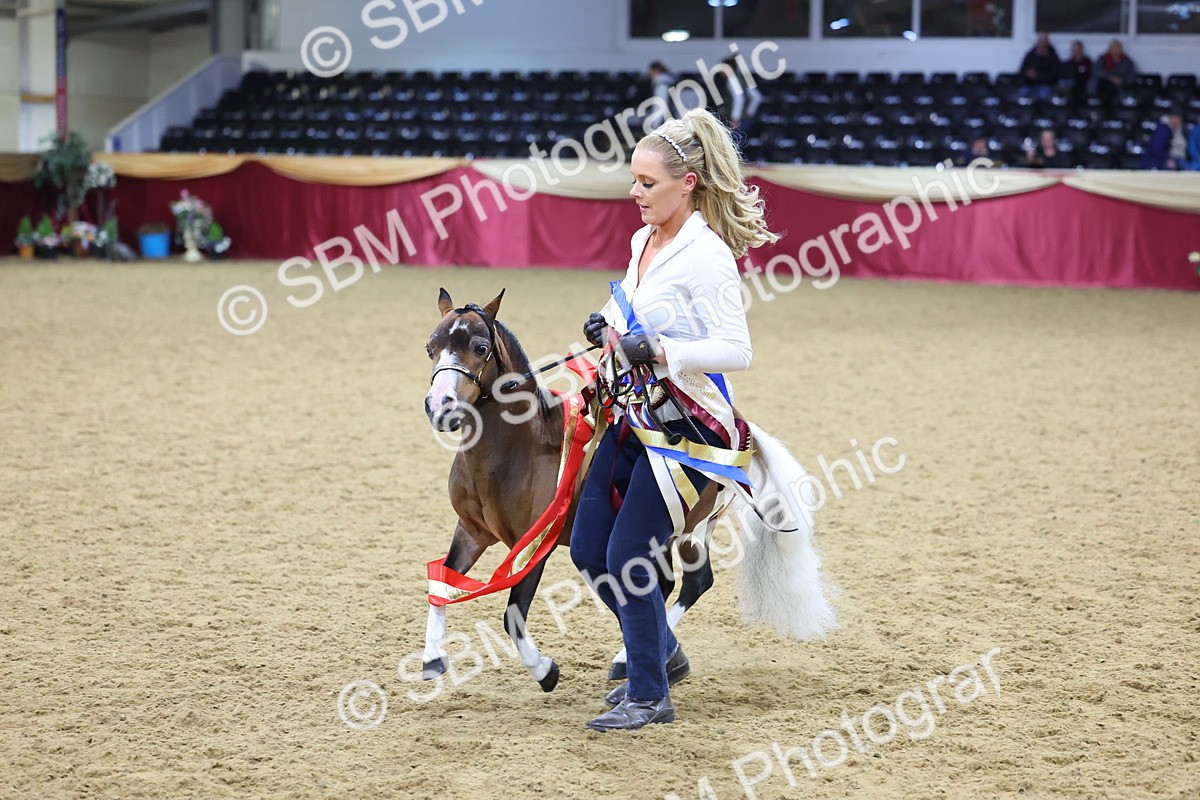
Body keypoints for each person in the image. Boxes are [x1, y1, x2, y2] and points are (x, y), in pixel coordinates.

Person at [571, 107, 778, 732]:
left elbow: (737, 350)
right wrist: (605, 323)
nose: (634, 193)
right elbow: (635, 305)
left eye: (646, 183)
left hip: (688, 428)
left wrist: (666, 352)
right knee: (588, 548)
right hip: (638, 413)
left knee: (630, 550)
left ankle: (649, 694)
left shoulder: (708, 255)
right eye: (633, 180)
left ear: (687, 182)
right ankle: (660, 649)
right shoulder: (642, 241)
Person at [642, 61, 703, 132]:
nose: (650, 75)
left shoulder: (662, 84)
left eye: (651, 72)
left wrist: (654, 124)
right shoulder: (671, 81)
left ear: (656, 71)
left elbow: (660, 104)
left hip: (673, 119)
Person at [717, 56, 762, 134]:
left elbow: (739, 98)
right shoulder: (741, 79)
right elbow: (757, 97)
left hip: (735, 121)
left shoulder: (732, 80)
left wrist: (735, 119)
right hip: (743, 120)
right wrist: (749, 113)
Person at [1018, 32, 1061, 100]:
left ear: (1047, 42)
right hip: (1030, 85)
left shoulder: (1053, 57)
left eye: (1043, 41)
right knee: (1021, 94)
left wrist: (1037, 76)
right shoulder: (1030, 55)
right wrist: (1028, 74)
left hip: (1046, 86)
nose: (1041, 44)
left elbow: (1055, 75)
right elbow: (1021, 71)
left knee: (1042, 95)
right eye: (1040, 41)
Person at [1093, 39, 1136, 107]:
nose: (1115, 51)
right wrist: (1110, 78)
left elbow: (1132, 76)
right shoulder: (1103, 59)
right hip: (1104, 85)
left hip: (1121, 86)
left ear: (1121, 49)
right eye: (1113, 48)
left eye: (1117, 48)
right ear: (1110, 49)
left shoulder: (1127, 62)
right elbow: (1096, 71)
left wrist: (1122, 80)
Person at [1059, 40, 1092, 105]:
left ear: (1082, 50)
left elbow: (1090, 75)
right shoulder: (1068, 64)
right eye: (1074, 50)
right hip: (1072, 88)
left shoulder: (1087, 62)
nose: (1076, 52)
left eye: (1078, 50)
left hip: (1084, 87)